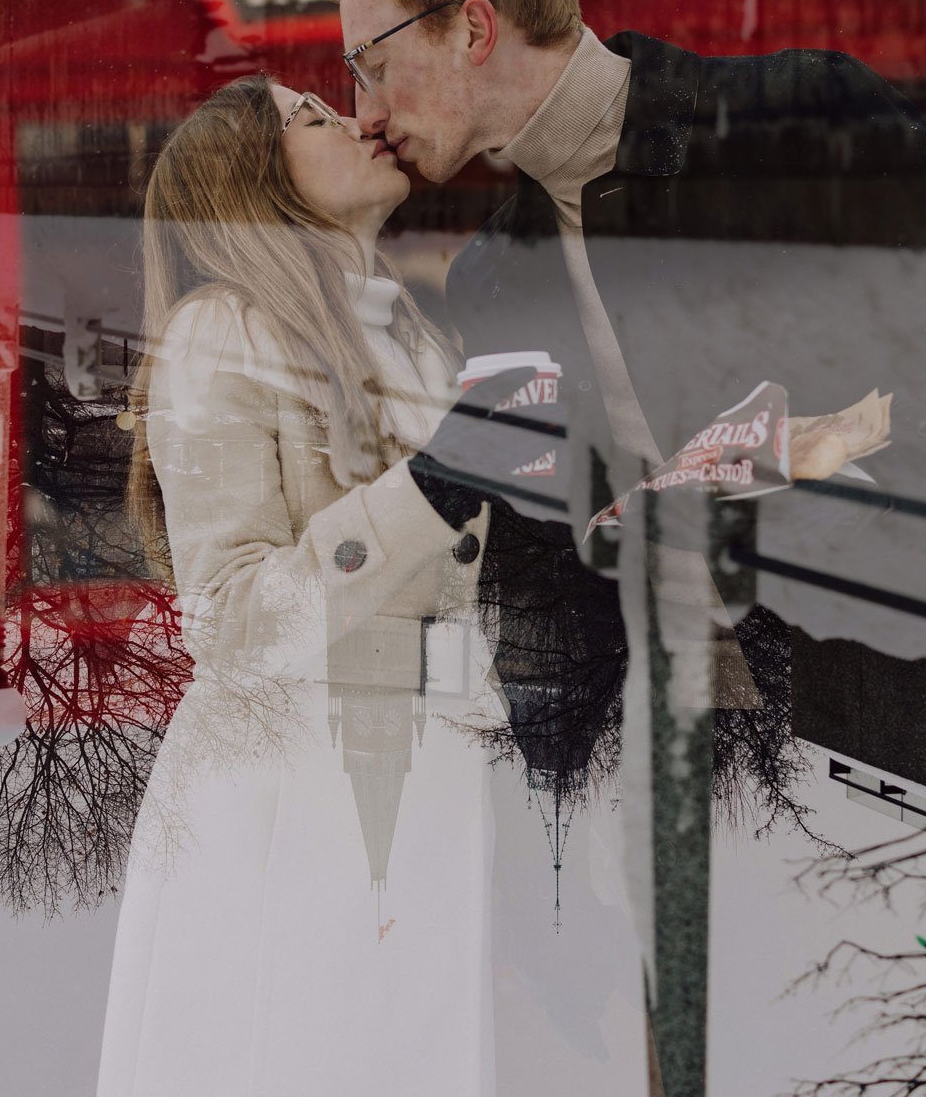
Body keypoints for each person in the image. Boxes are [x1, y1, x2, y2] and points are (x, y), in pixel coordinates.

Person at [309, 0, 926, 801]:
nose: (365, 110)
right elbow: (576, 580)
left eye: (369, 63)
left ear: (472, 27)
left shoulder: (797, 122)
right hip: (762, 802)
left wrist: (782, 469)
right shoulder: (494, 279)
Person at [94, 76, 649, 1097]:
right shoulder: (224, 330)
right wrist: (438, 483)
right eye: (307, 117)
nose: (350, 118)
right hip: (304, 790)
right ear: (251, 178)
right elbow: (233, 624)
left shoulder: (404, 335)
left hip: (420, 771)